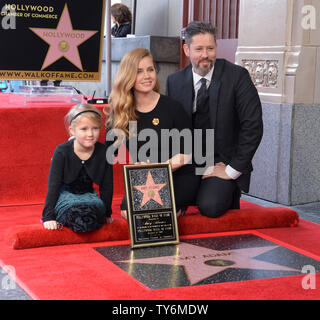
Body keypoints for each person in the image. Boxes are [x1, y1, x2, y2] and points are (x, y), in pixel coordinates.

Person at [166, 21, 263, 218]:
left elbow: (252, 126)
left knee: (210, 206)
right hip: (188, 161)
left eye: (210, 48)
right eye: (199, 49)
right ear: (186, 49)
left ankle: (226, 189)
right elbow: (171, 129)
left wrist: (231, 171)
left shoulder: (238, 76)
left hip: (222, 161)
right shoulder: (174, 81)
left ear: (216, 47)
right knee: (161, 202)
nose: (205, 55)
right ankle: (194, 191)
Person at [105, 48, 200, 219]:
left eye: (150, 69)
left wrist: (158, 168)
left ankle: (179, 208)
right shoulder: (120, 112)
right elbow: (107, 153)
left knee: (156, 211)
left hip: (177, 174)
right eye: (139, 71)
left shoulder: (173, 107)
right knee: (128, 213)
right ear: (127, 76)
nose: (147, 76)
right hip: (143, 178)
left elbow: (187, 154)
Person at [42, 104, 113, 232]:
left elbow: (107, 186)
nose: (90, 134)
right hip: (66, 196)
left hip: (89, 197)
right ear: (72, 130)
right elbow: (54, 185)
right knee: (76, 215)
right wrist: (48, 217)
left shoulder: (104, 152)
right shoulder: (62, 151)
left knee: (93, 215)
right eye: (84, 129)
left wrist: (107, 213)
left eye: (95, 128)